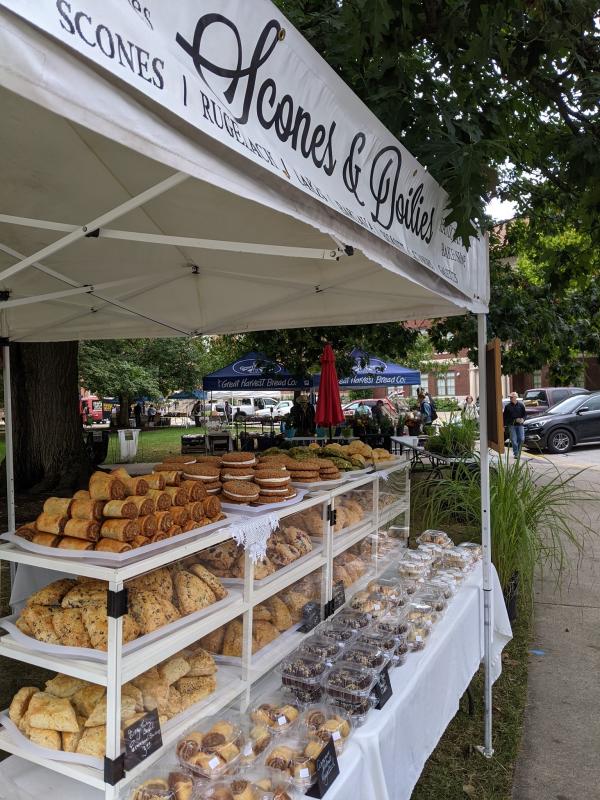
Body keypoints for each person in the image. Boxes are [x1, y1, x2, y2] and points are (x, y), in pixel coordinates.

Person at [503, 391, 527, 458]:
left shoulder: (521, 405)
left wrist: (523, 419)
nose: (511, 398)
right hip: (511, 425)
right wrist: (504, 426)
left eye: (512, 397)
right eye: (510, 397)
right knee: (513, 440)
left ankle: (518, 452)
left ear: (516, 397)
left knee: (521, 439)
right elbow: (505, 417)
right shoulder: (507, 407)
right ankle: (516, 454)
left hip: (520, 425)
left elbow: (525, 415)